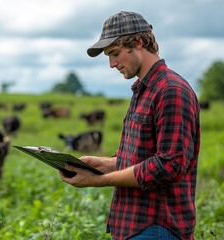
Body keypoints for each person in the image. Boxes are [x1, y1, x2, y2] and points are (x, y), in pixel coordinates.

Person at [59, 11, 200, 240]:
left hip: (156, 227)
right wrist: (101, 164)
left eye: (115, 53)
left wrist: (99, 180)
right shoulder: (142, 90)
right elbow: (142, 159)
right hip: (133, 225)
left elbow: (168, 165)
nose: (112, 64)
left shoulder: (171, 90)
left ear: (138, 42)